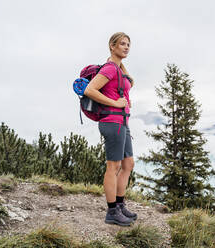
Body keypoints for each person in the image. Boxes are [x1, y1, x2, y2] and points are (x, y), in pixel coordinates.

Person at [84, 32, 137, 226]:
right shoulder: (109, 69)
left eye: (128, 44)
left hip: (122, 122)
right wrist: (115, 102)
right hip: (112, 122)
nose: (126, 47)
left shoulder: (117, 68)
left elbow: (130, 81)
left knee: (128, 164)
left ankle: (120, 204)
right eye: (122, 44)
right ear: (112, 46)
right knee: (113, 166)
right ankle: (112, 211)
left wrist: (118, 62)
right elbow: (90, 90)